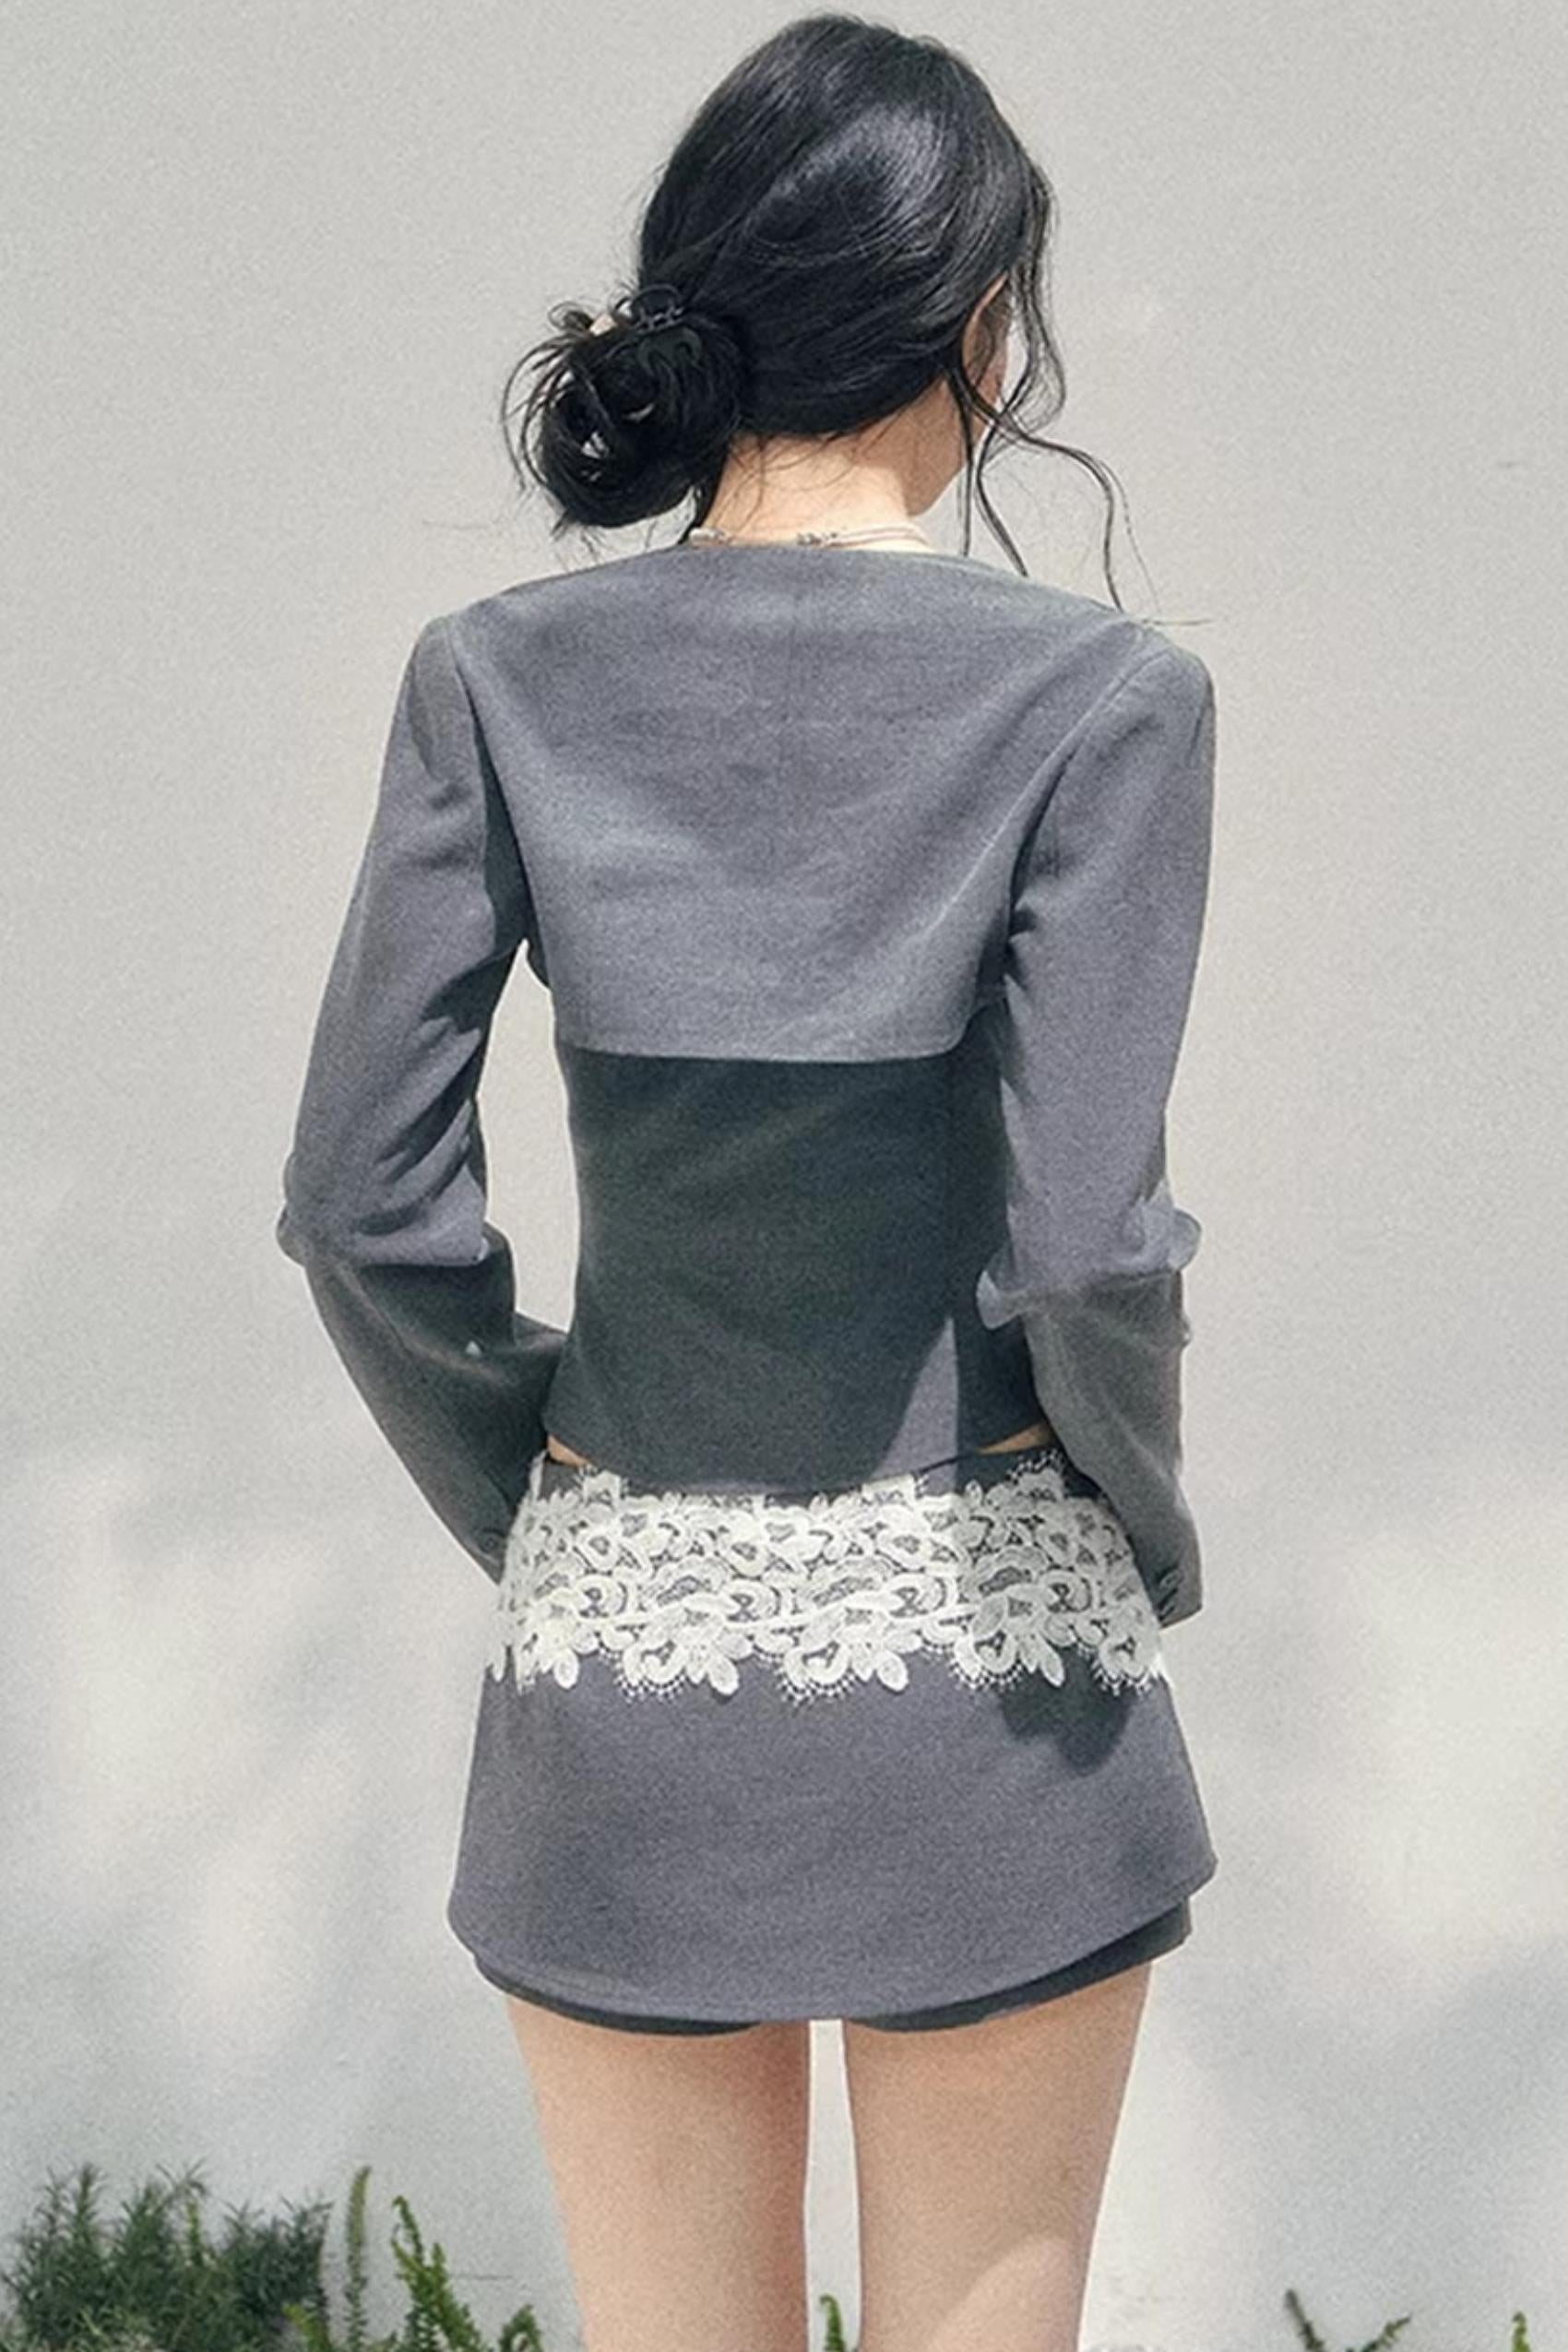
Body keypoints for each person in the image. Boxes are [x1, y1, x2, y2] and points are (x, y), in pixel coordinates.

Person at [275, 13, 1221, 2350]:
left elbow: (363, 1207)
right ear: (981, 328)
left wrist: (561, 1496)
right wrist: (1141, 1521)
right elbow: (1084, 1242)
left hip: (623, 1674)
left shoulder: (495, 676)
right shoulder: (1103, 700)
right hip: (988, 1665)